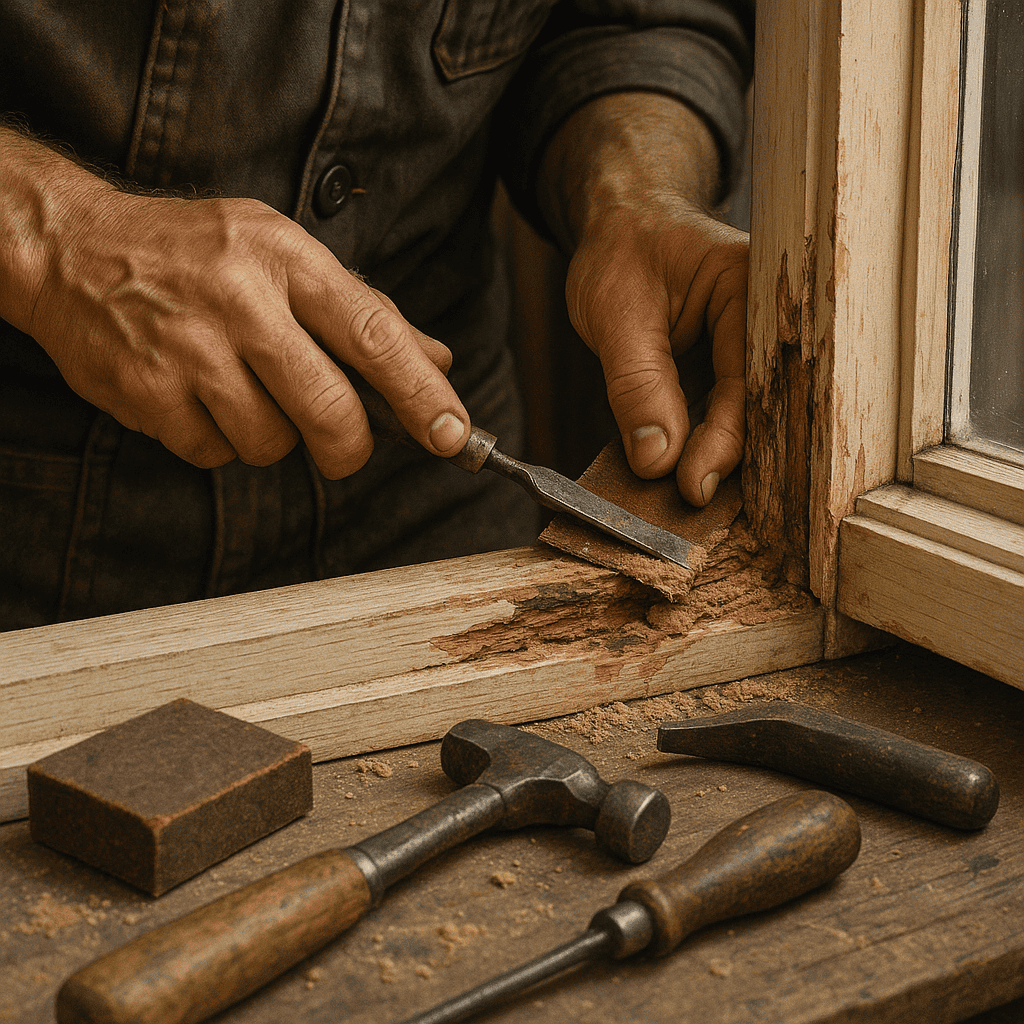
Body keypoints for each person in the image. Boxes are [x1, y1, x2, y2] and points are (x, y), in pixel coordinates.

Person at [0, 1, 754, 632]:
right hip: (35, 528)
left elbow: (628, 20)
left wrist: (632, 192)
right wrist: (52, 234)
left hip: (432, 500)